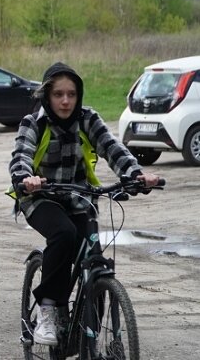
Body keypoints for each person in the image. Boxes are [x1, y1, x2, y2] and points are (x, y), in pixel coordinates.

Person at [9, 62, 161, 347]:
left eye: (71, 94)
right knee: (64, 234)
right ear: (47, 96)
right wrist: (25, 178)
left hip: (79, 198)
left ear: (78, 95)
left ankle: (87, 333)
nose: (65, 101)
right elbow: (21, 155)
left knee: (94, 257)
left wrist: (136, 176)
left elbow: (112, 148)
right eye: (58, 94)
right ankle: (48, 309)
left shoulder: (88, 118)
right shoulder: (34, 123)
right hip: (40, 197)